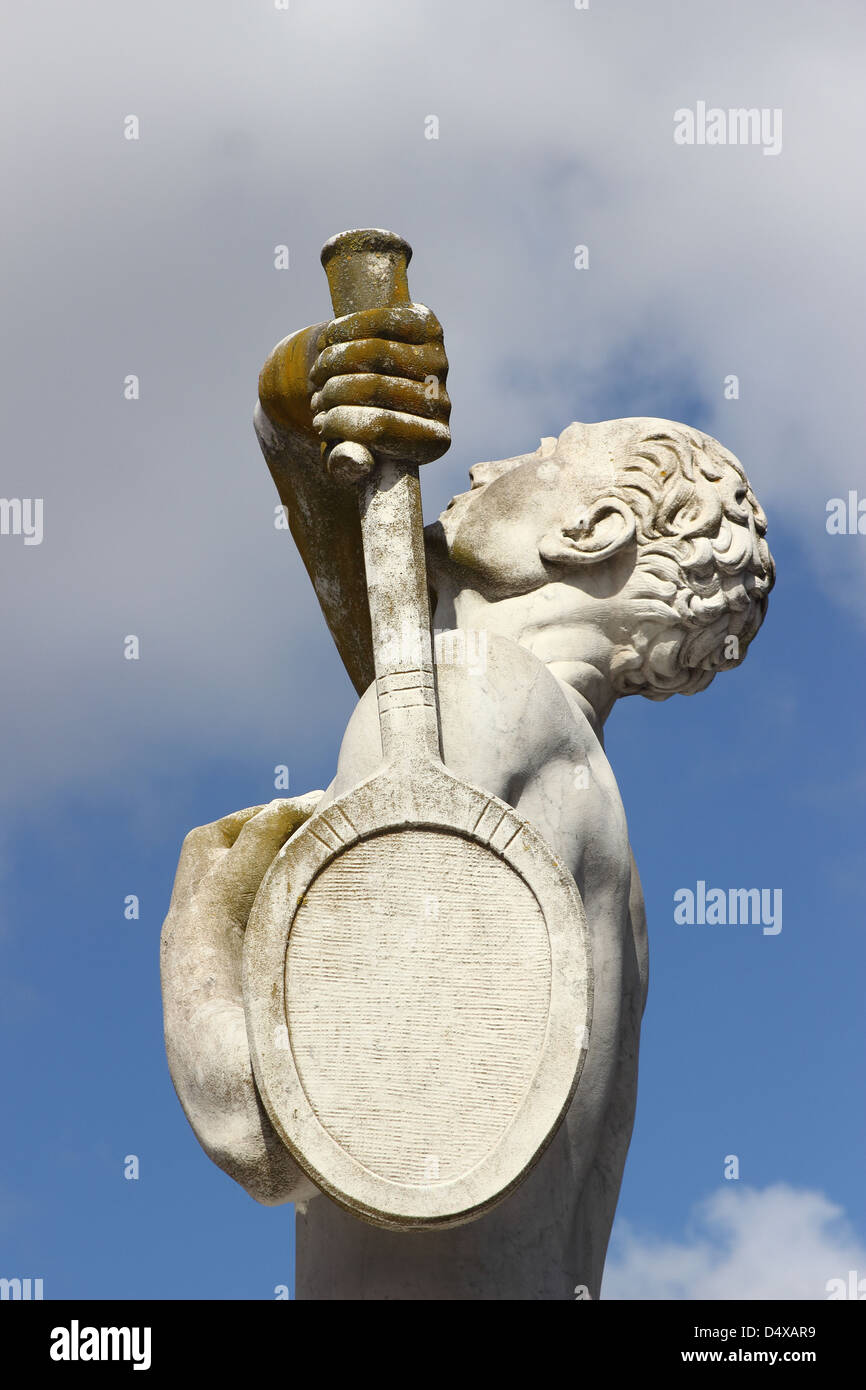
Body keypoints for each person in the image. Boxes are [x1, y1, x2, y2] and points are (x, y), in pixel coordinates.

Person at [161, 302, 774, 1298]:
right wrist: (294, 414)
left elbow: (264, 1121)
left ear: (591, 529)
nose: (487, 468)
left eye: (541, 454)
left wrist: (218, 890)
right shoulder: (589, 817)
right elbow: (381, 628)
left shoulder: (473, 691)